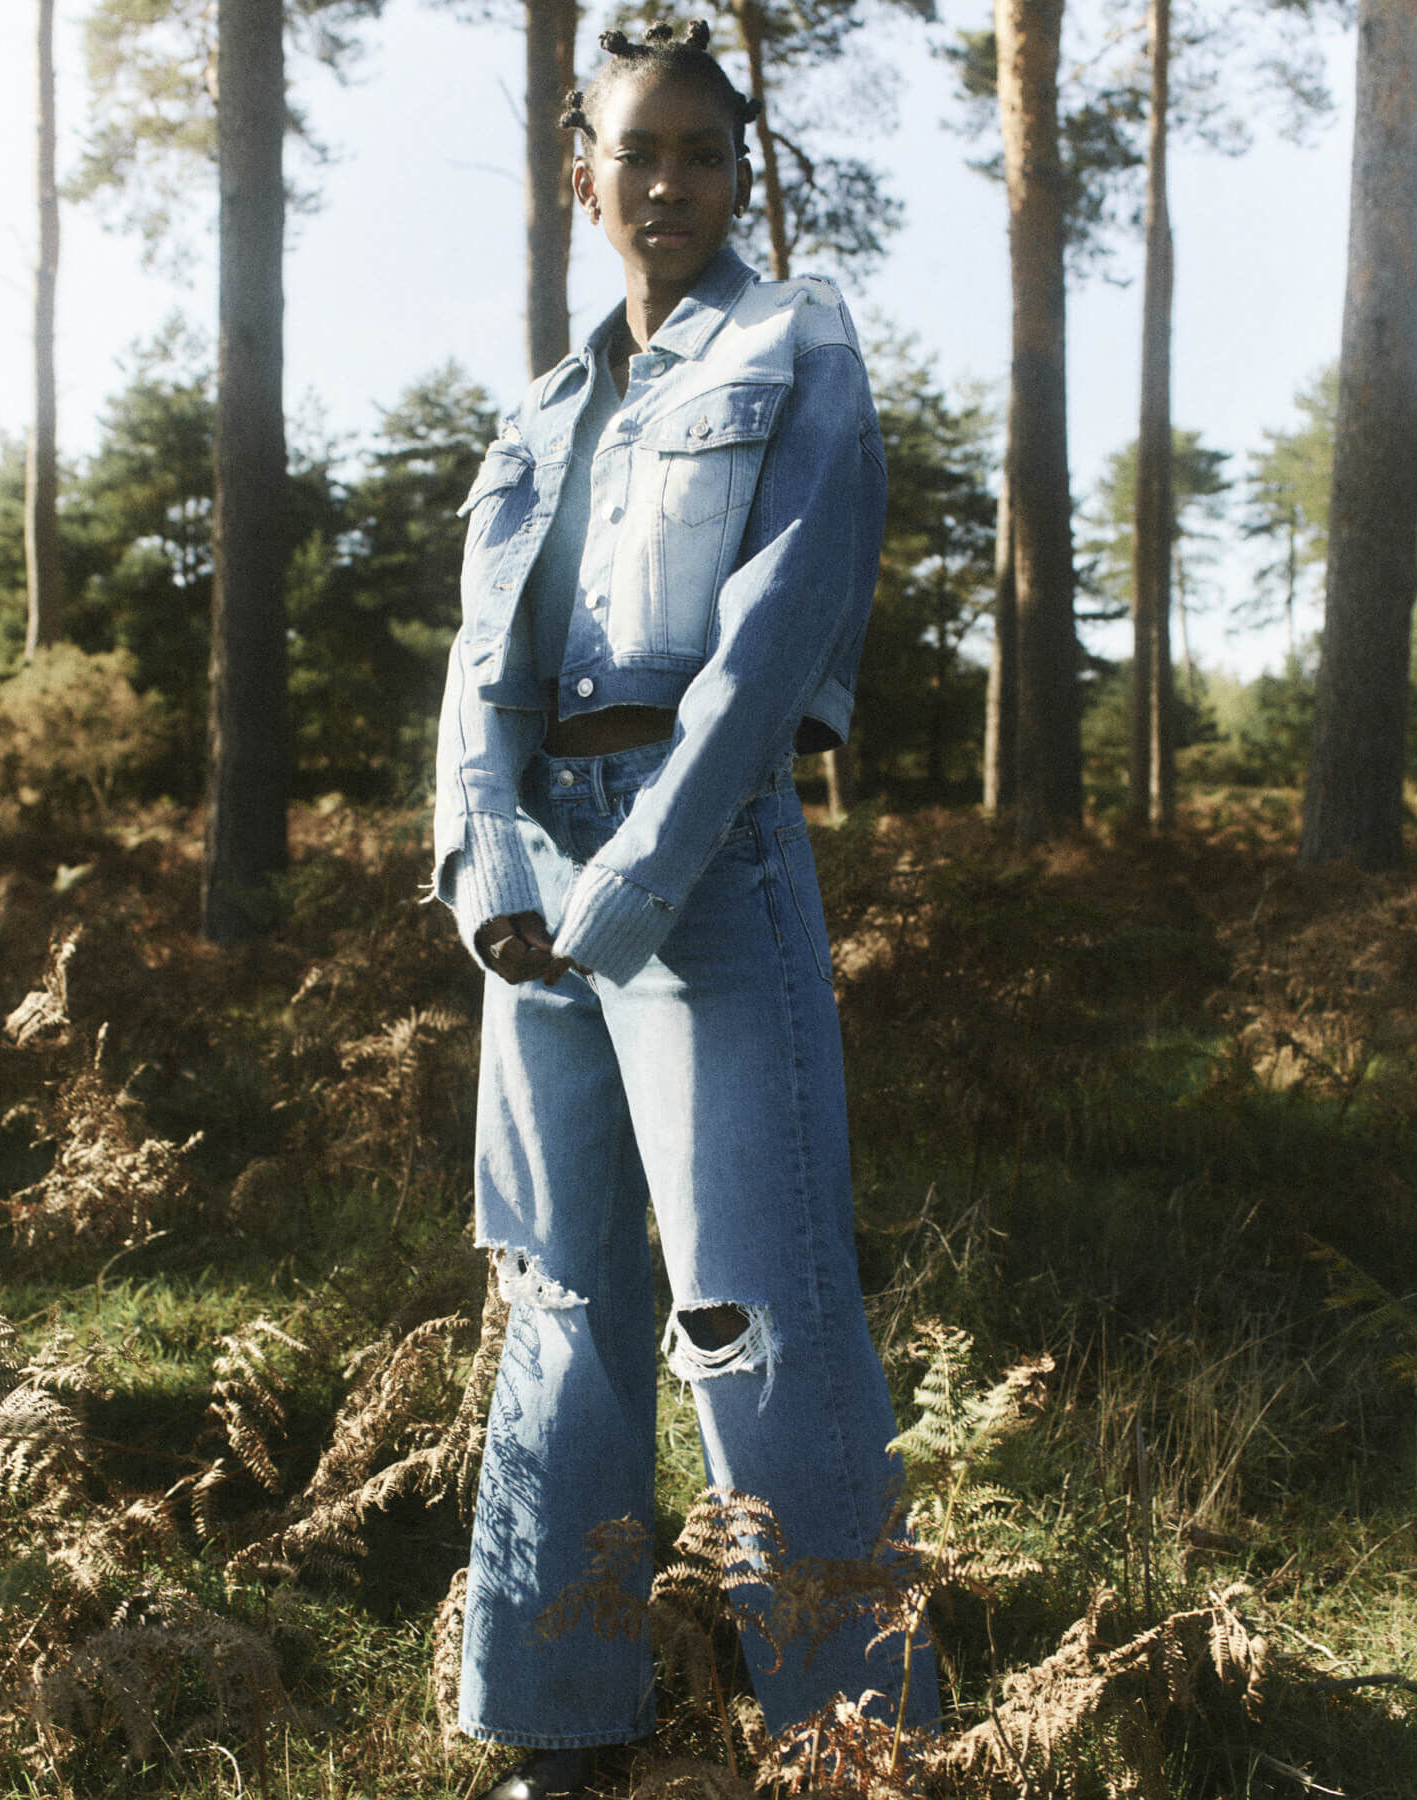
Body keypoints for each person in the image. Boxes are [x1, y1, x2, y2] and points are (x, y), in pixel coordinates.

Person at [432, 21, 937, 1797]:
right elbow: (479, 668)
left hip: (702, 857)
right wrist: (488, 860)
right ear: (583, 173)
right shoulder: (540, 413)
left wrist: (639, 871)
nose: (669, 184)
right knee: (561, 1300)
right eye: (636, 152)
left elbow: (782, 625)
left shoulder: (798, 340)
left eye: (703, 156)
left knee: (753, 1302)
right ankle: (558, 1730)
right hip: (534, 885)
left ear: (739, 176)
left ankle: (848, 1739)